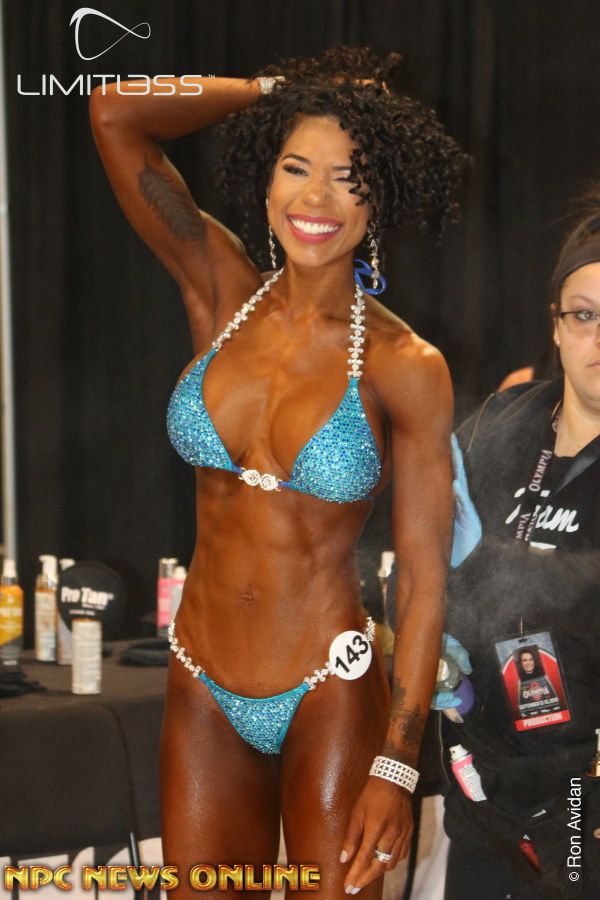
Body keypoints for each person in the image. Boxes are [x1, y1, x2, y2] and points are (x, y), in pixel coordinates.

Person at [89, 47, 467, 898]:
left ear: (378, 198)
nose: (316, 198)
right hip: (202, 682)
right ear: (265, 183)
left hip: (328, 690)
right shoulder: (219, 293)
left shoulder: (406, 364)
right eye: (296, 167)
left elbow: (422, 581)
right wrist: (276, 91)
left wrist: (397, 765)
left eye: (348, 177)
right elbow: (113, 111)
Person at [440, 203, 600, 899]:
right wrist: (431, 640)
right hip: (484, 783)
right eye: (584, 316)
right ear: (555, 326)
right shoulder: (504, 420)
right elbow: (426, 549)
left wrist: (485, 563)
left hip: (583, 792)